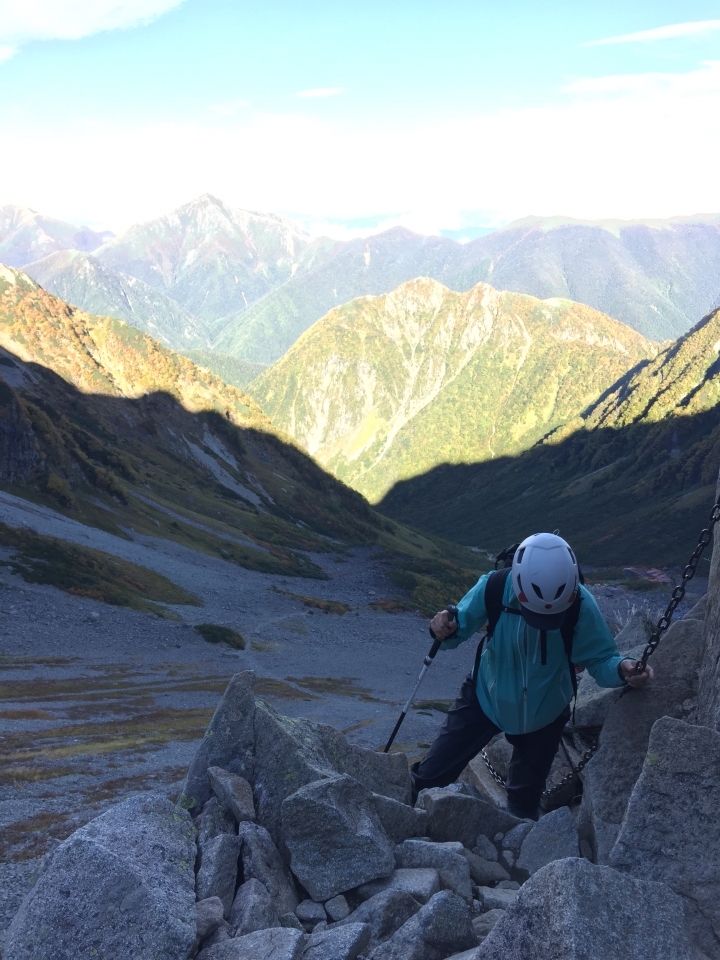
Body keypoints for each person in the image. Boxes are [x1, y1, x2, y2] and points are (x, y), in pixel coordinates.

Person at [411, 532, 654, 817]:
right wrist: (440, 628)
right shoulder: (494, 586)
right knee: (429, 776)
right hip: (486, 697)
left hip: (544, 711)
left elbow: (600, 658)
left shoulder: (580, 603)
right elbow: (455, 631)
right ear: (518, 582)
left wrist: (622, 668)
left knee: (523, 805)